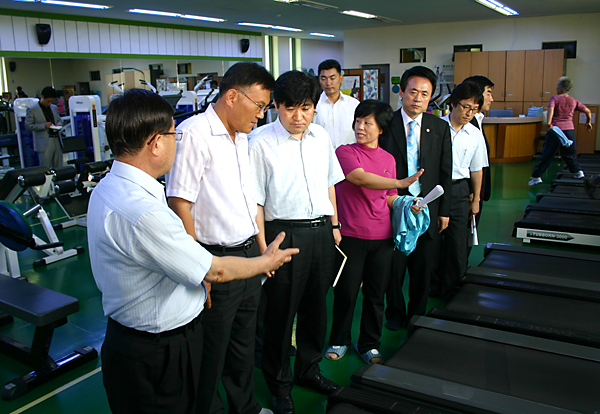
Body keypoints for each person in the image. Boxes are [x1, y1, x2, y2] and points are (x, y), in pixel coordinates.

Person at [87, 88, 298, 414]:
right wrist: (266, 261)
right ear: (156, 143)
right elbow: (214, 270)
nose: (177, 142)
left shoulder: (111, 187)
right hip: (157, 350)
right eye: (173, 134)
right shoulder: (142, 211)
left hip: (136, 339)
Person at [166, 62, 276, 414]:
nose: (261, 116)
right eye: (259, 106)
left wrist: (260, 251)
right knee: (211, 351)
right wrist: (199, 267)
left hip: (245, 256)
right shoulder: (194, 133)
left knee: (243, 346)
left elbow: (247, 198)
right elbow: (180, 202)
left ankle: (246, 407)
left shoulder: (241, 137)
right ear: (232, 96)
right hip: (215, 260)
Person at [249, 70, 344, 414]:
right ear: (276, 106)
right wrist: (263, 250)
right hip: (282, 235)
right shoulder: (259, 143)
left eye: (306, 108)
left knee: (316, 310)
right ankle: (279, 384)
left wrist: (334, 224)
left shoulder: (320, 137)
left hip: (321, 233)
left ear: (314, 108)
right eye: (290, 108)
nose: (298, 117)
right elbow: (256, 202)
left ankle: (309, 370)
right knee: (279, 315)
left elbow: (330, 183)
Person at [325, 100, 423, 364]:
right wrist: (400, 183)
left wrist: (407, 204)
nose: (360, 127)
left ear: (381, 128)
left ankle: (369, 344)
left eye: (367, 122)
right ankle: (339, 340)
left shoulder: (388, 159)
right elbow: (359, 178)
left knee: (375, 295)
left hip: (382, 237)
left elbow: (390, 197)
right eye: (358, 121)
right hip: (351, 236)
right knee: (345, 293)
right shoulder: (344, 152)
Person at [380, 66, 452, 331]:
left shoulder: (439, 127)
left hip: (428, 209)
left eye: (425, 93)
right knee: (394, 271)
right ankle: (395, 314)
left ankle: (417, 316)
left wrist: (444, 211)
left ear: (431, 96)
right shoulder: (386, 125)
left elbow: (446, 170)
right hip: (395, 208)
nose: (418, 98)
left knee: (423, 270)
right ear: (401, 92)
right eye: (413, 92)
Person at [438, 82, 488, 300]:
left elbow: (477, 169)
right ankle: (433, 283)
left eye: (474, 109)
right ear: (452, 104)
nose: (469, 113)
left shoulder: (474, 134)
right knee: (432, 241)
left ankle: (452, 292)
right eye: (466, 106)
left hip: (460, 189)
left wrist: (476, 199)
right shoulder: (435, 127)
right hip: (435, 188)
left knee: (457, 243)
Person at [529, 76, 591, 185]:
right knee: (569, 154)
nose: (557, 88)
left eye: (558, 87)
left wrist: (549, 124)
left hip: (556, 130)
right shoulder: (573, 100)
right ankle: (578, 172)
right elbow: (588, 111)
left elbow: (551, 110)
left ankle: (536, 176)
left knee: (548, 154)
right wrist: (588, 122)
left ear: (561, 89)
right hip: (569, 130)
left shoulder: (555, 98)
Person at [314, 59, 360, 148]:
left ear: (341, 78)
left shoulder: (354, 105)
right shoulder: (314, 105)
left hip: (350, 157)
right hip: (322, 157)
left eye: (332, 78)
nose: (328, 83)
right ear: (319, 80)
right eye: (324, 79)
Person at [24, 86, 63, 168]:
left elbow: (59, 120)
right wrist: (43, 126)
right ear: (42, 97)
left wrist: (58, 124)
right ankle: (46, 180)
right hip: (44, 141)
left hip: (57, 139)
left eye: (51, 101)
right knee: (45, 166)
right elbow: (28, 125)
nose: (49, 103)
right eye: (48, 101)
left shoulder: (54, 108)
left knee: (59, 165)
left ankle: (59, 180)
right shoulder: (32, 109)